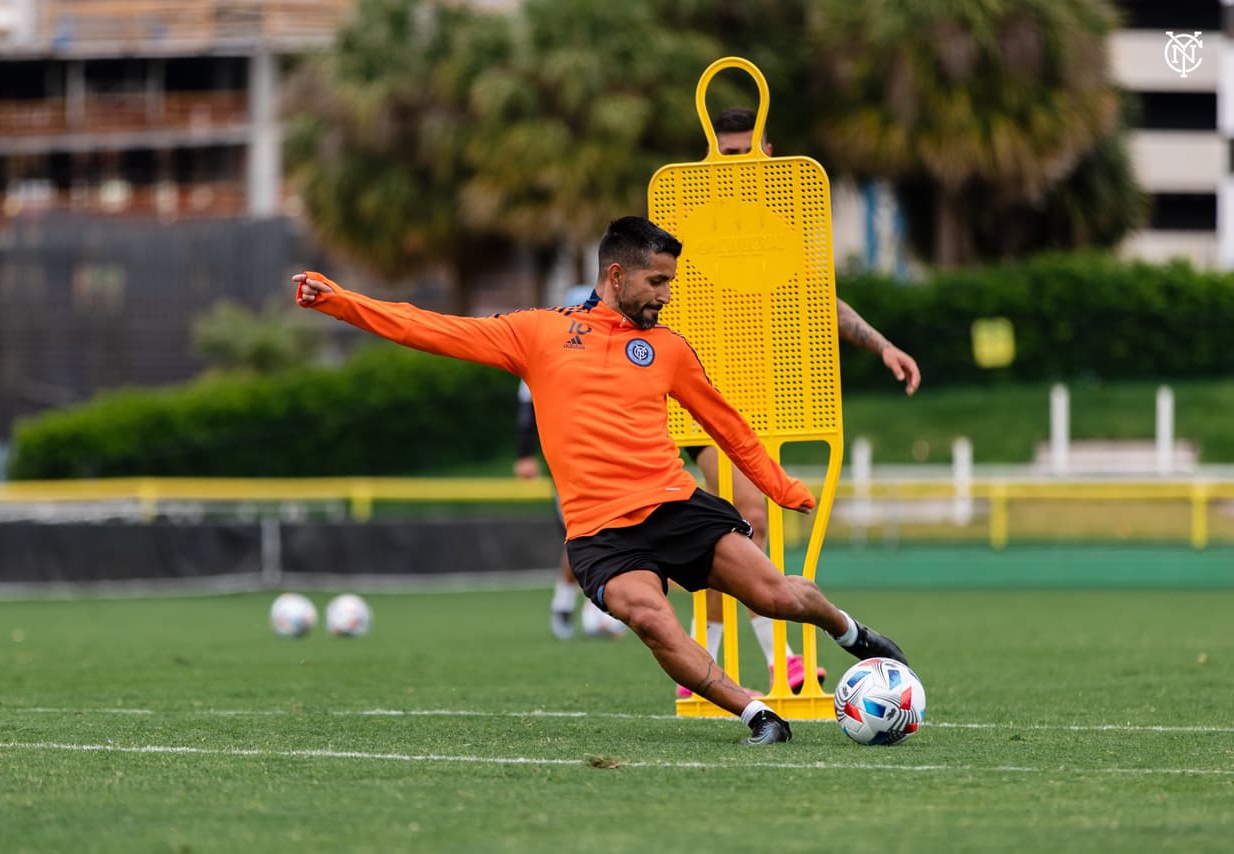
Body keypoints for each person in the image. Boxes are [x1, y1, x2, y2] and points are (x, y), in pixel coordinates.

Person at [293, 215, 909, 745]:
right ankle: (756, 712)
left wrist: (779, 487)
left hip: (675, 505)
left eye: (671, 281)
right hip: (600, 533)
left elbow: (727, 425)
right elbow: (426, 326)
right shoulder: (536, 332)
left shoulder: (668, 347)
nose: (667, 294)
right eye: (657, 281)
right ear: (616, 276)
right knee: (651, 619)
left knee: (774, 595)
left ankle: (850, 632)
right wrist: (337, 300)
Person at [673, 107, 923, 700]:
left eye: (745, 153)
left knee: (724, 531)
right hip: (702, 398)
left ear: (767, 149)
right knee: (747, 516)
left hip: (767, 394)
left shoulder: (779, 225)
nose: (735, 166)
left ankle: (702, 664)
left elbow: (820, 301)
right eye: (725, 154)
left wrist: (882, 344)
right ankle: (769, 658)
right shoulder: (693, 221)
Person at [513, 285, 613, 640]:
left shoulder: (609, 355)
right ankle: (569, 603)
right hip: (568, 465)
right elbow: (527, 414)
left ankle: (587, 605)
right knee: (580, 533)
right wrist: (525, 456)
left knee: (609, 531)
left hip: (611, 462)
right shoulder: (546, 359)